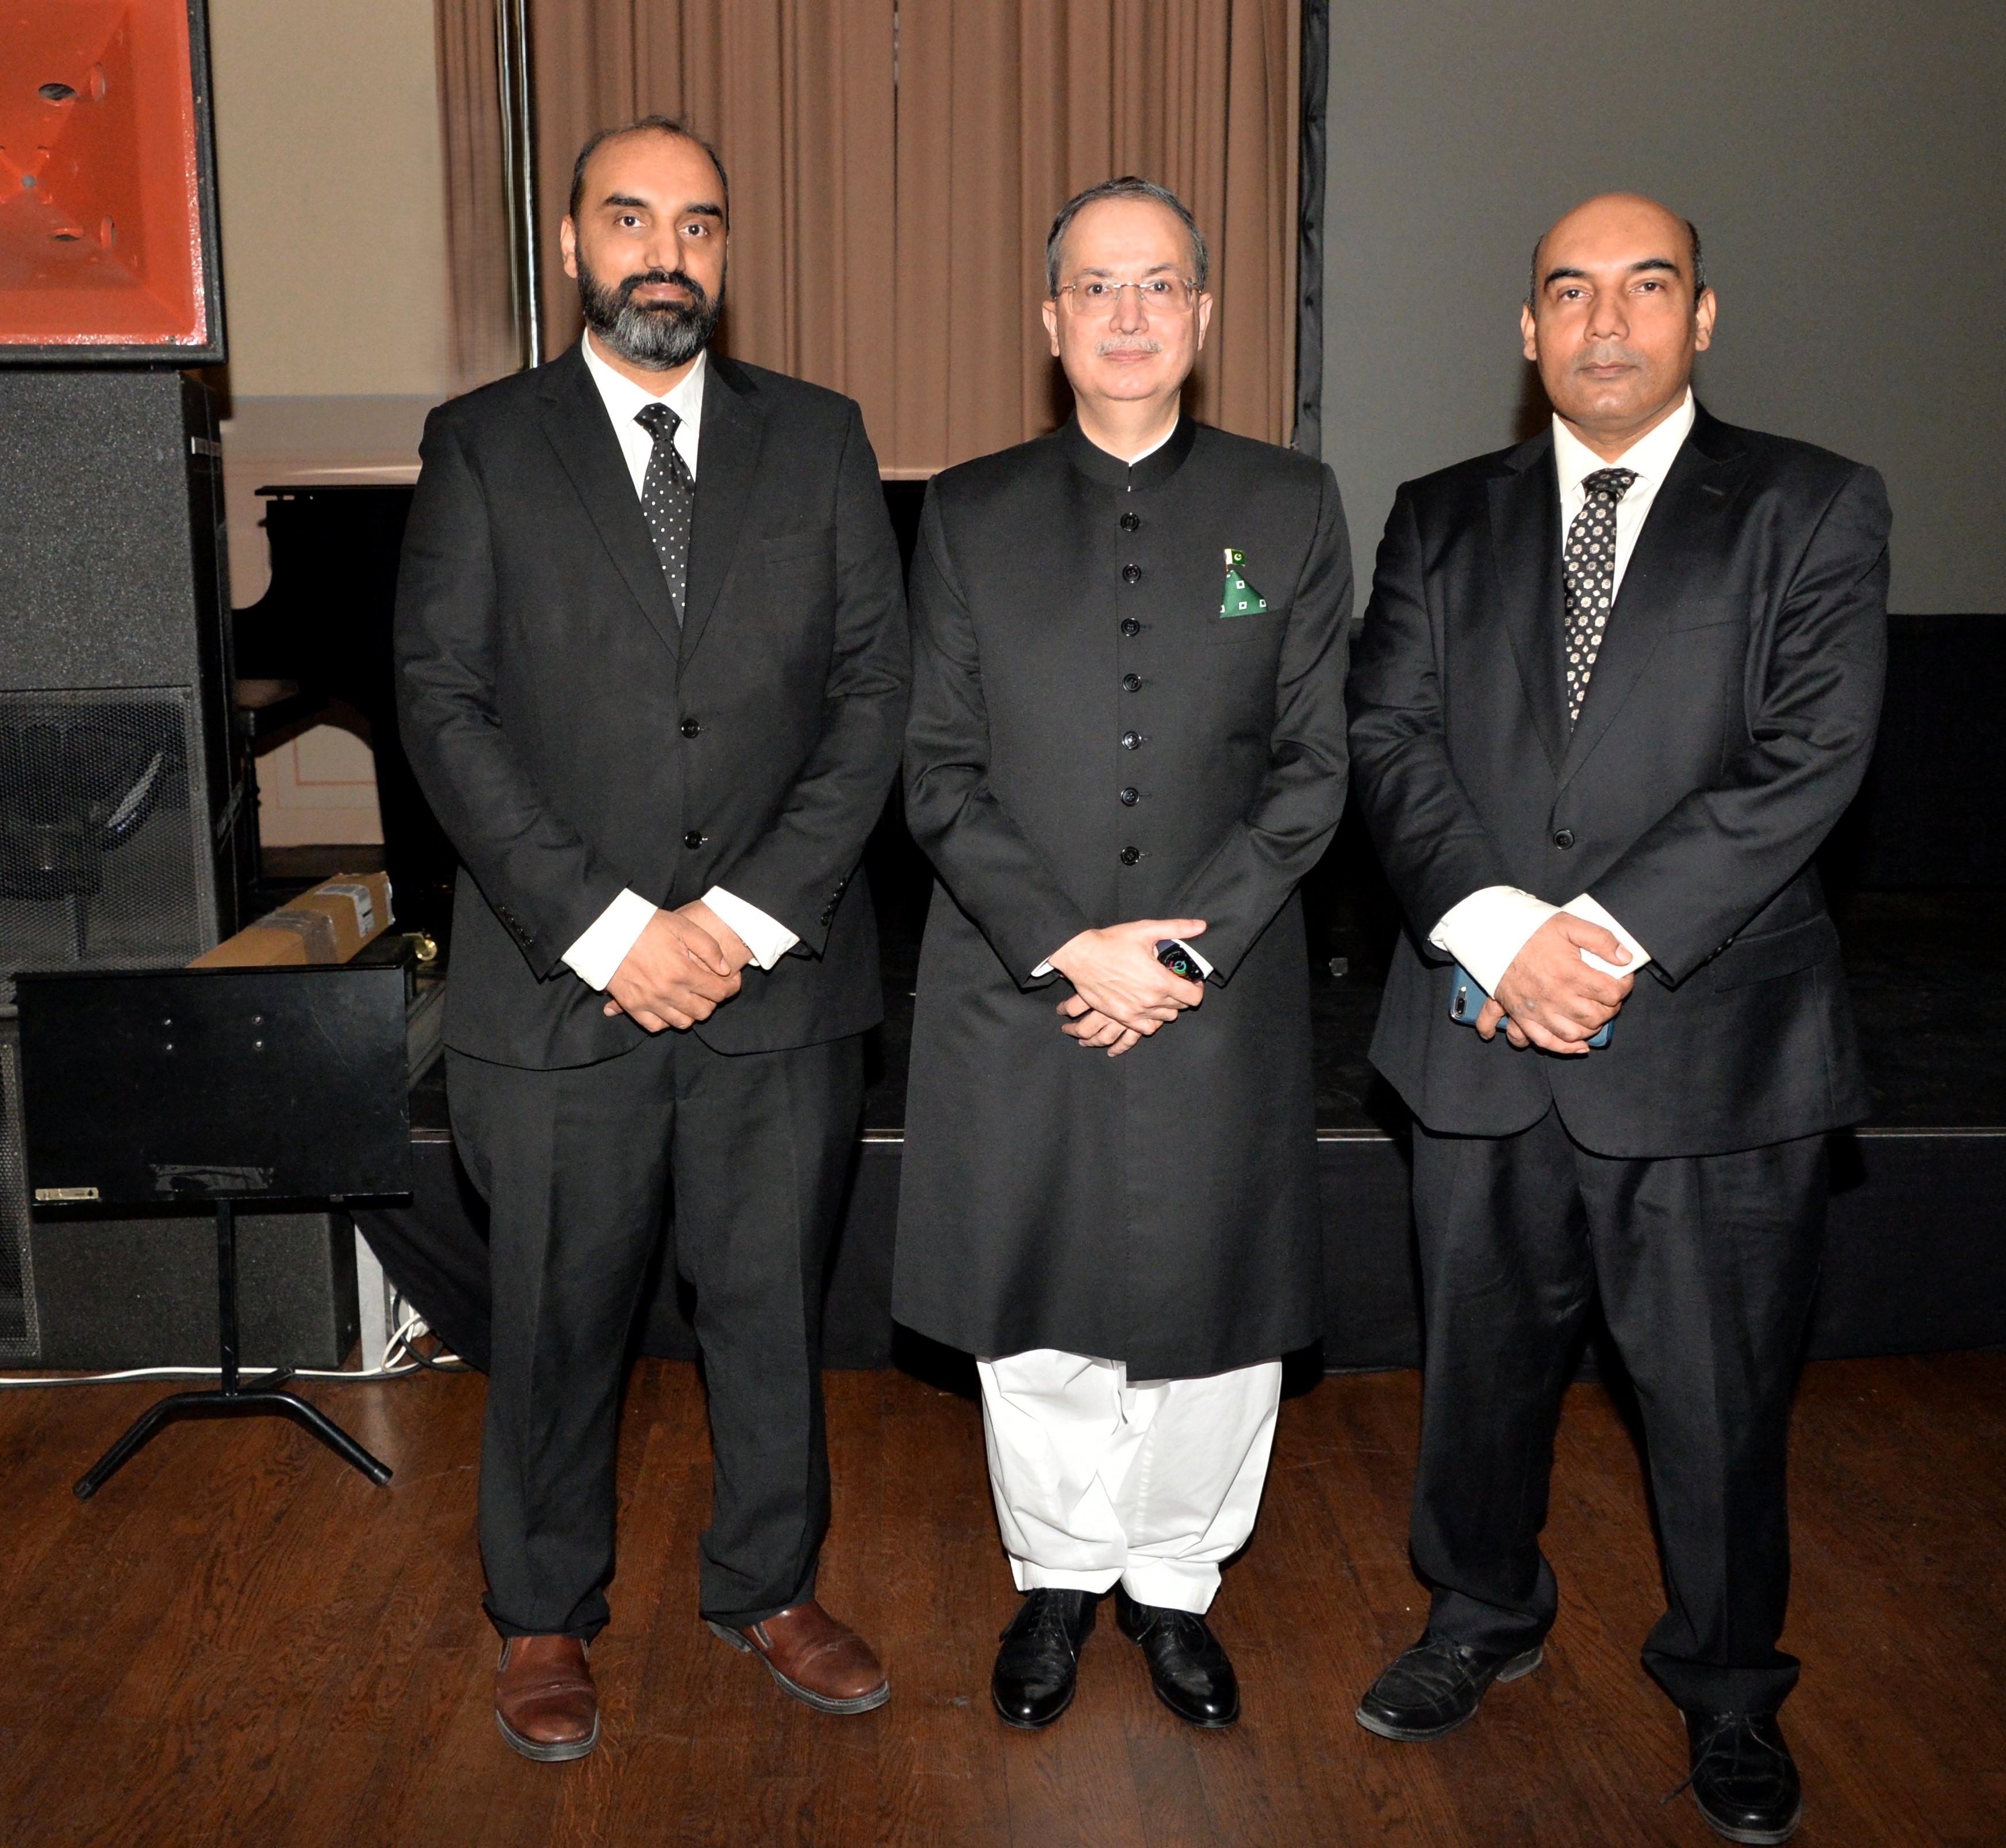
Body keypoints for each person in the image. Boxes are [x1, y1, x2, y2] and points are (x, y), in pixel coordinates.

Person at [1347, 193, 1888, 1843]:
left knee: (1719, 1402)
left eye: (1646, 286)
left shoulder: (1809, 504)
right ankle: (1479, 1617)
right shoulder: (1441, 516)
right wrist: (1502, 937)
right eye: (1568, 291)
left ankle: (1728, 1686)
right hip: (1480, 1032)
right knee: (1478, 1377)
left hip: (1715, 1048)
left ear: (1700, 318)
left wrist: (1596, 939)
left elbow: (1811, 755)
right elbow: (1388, 738)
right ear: (1527, 331)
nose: (1605, 320)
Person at [395, 117, 908, 1761]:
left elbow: (875, 701)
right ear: (573, 247)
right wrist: (611, 929)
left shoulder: (819, 439)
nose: (665, 252)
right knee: (556, 1321)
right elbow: (444, 708)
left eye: (698, 223)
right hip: (560, 990)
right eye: (630, 219)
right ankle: (543, 1611)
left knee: (771, 1311)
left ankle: (771, 1584)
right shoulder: (484, 444)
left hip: (777, 982)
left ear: (726, 252)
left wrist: (741, 922)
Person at [895, 177, 1352, 1732]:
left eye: (1160, 284)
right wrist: (1067, 946)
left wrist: (1182, 956)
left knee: (1215, 1308)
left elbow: (1315, 769)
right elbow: (936, 772)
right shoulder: (967, 513)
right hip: (1018, 978)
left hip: (1224, 981)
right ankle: (1058, 1572)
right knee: (1034, 1300)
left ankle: (1173, 1584)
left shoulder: (1293, 505)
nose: (1130, 313)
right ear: (1051, 321)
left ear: (1205, 315)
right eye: (1097, 286)